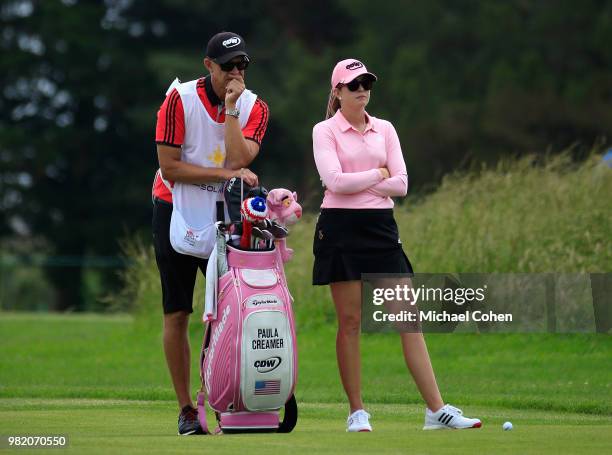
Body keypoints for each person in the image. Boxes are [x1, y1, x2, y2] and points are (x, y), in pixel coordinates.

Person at [312, 58, 481, 432]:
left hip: (380, 229)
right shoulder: (324, 130)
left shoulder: (385, 128)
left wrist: (366, 180)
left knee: (409, 319)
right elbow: (334, 182)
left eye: (366, 84)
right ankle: (357, 411)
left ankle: (436, 411)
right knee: (351, 322)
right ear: (337, 92)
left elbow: (402, 184)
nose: (361, 91)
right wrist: (378, 174)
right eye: (353, 85)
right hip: (339, 229)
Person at [152, 31, 268, 435]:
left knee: (229, 313)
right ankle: (186, 409)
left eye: (242, 66)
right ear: (208, 66)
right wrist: (223, 173)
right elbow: (171, 167)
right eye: (227, 66)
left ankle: (222, 400)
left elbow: (239, 158)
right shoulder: (178, 99)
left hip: (226, 212)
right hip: (173, 206)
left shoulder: (255, 107)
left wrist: (232, 109)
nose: (236, 73)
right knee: (178, 310)